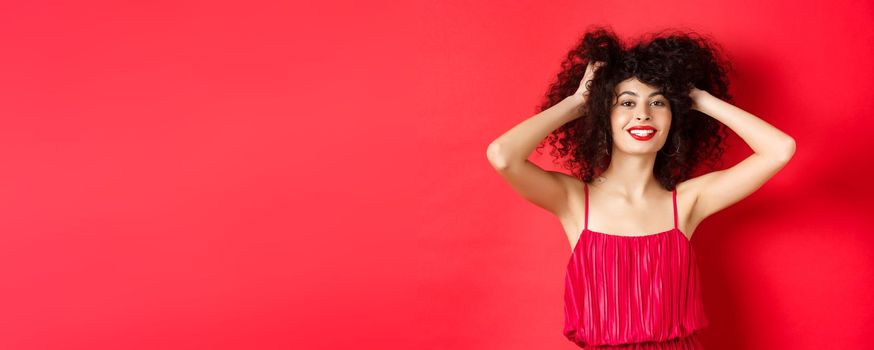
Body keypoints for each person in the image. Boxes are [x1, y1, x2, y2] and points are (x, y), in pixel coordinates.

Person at [485, 27, 795, 349]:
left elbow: (780, 149)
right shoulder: (575, 200)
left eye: (658, 102)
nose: (643, 115)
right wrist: (578, 103)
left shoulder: (688, 202)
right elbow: (503, 156)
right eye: (626, 103)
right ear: (603, 114)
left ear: (674, 116)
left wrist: (700, 99)